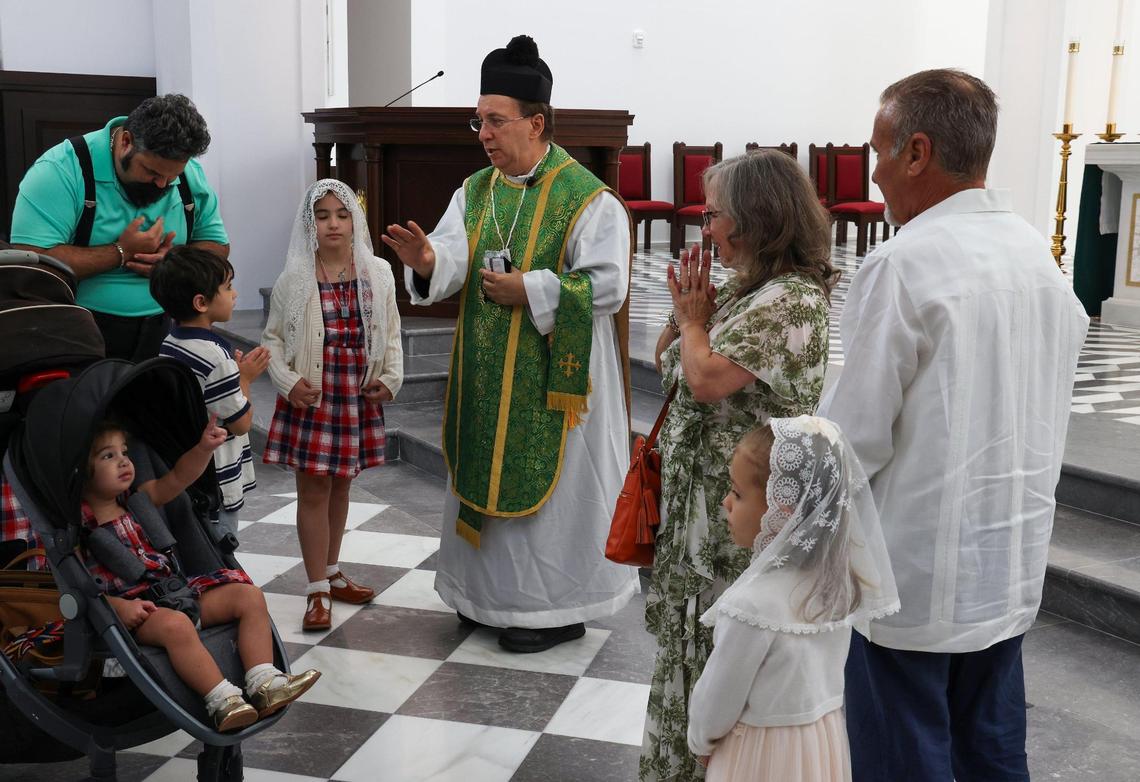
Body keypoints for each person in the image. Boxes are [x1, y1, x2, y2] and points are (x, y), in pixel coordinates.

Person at [817, 69, 1090, 782]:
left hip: (915, 575)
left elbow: (853, 438)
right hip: (1006, 568)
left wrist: (785, 513)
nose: (873, 173)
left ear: (917, 152)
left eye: (878, 152)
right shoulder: (1040, 258)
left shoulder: (904, 265)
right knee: (991, 755)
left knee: (904, 761)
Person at [380, 34, 639, 654]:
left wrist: (535, 289)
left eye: (495, 121)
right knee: (481, 476)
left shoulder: (589, 199)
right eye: (480, 120)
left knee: (552, 500)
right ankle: (482, 598)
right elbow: (451, 254)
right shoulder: (476, 192)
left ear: (537, 122)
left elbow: (608, 284)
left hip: (554, 383)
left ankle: (552, 610)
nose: (484, 133)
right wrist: (426, 260)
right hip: (487, 374)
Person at [640, 150, 838, 781]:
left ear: (757, 219)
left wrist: (693, 323)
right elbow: (666, 355)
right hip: (703, 509)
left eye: (716, 214)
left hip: (741, 518)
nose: (707, 227)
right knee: (688, 648)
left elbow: (704, 378)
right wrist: (686, 320)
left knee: (722, 659)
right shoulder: (745, 290)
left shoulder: (791, 300)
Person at [688, 418, 899, 782]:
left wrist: (700, 742)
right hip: (819, 745)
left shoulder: (750, 605)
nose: (726, 502)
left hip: (758, 756)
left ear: (781, 511)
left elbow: (717, 702)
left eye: (737, 494)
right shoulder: (836, 585)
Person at [81, 418, 319, 732]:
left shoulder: (139, 502)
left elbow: (178, 477)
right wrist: (117, 607)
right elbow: (77, 584)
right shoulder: (81, 528)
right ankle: (222, 700)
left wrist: (204, 448)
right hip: (138, 610)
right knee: (176, 625)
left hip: (177, 593)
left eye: (124, 452)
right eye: (108, 456)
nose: (124, 460)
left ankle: (264, 681)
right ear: (80, 472)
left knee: (248, 596)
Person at [262, 179, 403, 632]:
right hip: (314, 397)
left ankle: (332, 569)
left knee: (342, 487)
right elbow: (273, 340)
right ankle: (315, 590)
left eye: (341, 215)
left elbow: (393, 333)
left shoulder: (378, 272)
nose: (333, 224)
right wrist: (287, 382)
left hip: (356, 396)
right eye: (322, 216)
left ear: (354, 219)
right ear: (310, 224)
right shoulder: (296, 278)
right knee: (314, 492)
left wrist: (389, 377)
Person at [10, 94, 230, 362]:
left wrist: (176, 263)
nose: (162, 185)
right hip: (79, 332)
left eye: (171, 177)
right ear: (126, 142)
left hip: (170, 331)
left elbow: (217, 246)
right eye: (152, 172)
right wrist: (120, 251)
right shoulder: (60, 171)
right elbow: (30, 262)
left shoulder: (190, 175)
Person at [151, 246, 269, 541]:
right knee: (220, 550)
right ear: (201, 302)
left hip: (189, 469)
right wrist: (245, 378)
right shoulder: (216, 358)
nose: (235, 295)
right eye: (228, 287)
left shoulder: (170, 341)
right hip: (216, 479)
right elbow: (241, 423)